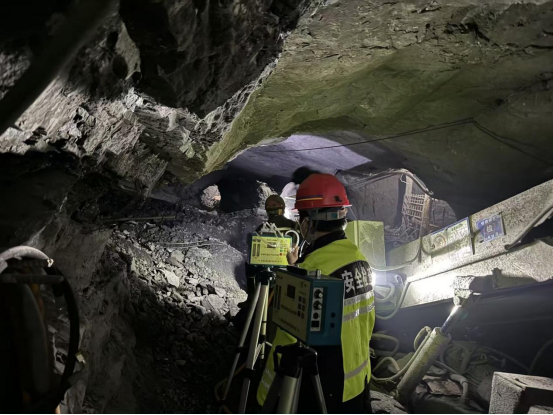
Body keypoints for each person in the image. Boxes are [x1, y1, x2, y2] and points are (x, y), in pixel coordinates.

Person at [257, 174, 375, 414]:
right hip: (358, 381)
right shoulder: (360, 260)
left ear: (308, 222)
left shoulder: (310, 272)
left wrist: (264, 396)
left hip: (322, 386)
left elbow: (287, 341)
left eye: (301, 217)